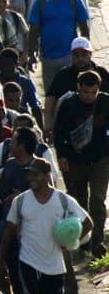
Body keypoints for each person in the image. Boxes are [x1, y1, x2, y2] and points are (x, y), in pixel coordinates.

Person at [0, 156, 90, 294]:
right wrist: (1, 260)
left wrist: (70, 242)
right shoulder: (21, 201)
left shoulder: (63, 200)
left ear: (47, 176)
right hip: (28, 260)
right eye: (29, 174)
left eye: (36, 174)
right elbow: (9, 231)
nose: (31, 178)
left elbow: (88, 223)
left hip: (55, 261)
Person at [53, 68, 109, 256]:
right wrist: (61, 156)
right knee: (79, 203)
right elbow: (59, 134)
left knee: (97, 200)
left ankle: (98, 242)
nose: (89, 96)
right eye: (85, 92)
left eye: (93, 92)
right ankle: (82, 240)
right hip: (75, 161)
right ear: (79, 87)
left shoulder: (105, 103)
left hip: (101, 160)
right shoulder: (68, 105)